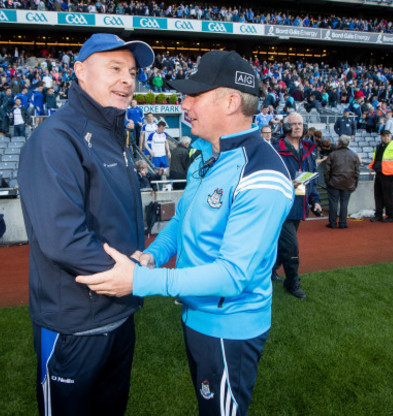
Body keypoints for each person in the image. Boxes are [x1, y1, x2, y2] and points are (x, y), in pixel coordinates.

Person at [75, 50, 294, 416]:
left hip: (230, 329)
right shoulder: (206, 153)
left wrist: (142, 279)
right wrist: (153, 254)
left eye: (195, 94)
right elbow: (182, 222)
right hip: (198, 317)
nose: (184, 103)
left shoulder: (262, 175)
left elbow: (232, 276)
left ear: (230, 101)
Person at [17, 33, 154, 416]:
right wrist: (132, 276)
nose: (128, 79)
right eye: (114, 68)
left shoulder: (116, 136)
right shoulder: (56, 138)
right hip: (73, 322)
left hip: (119, 313)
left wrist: (135, 264)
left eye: (132, 71)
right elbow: (63, 239)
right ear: (79, 71)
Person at [273, 111, 321, 300]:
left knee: (281, 244)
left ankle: (270, 271)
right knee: (291, 248)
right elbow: (270, 180)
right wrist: (287, 184)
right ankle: (292, 283)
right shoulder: (276, 151)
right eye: (293, 124)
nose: (298, 127)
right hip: (282, 208)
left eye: (300, 123)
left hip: (299, 207)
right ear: (285, 127)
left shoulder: (308, 150)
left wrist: (315, 201)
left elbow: (311, 181)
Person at [323, 135, 359, 229]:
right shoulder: (353, 155)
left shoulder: (333, 154)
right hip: (348, 183)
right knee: (344, 203)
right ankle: (343, 223)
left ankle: (333, 223)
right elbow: (357, 172)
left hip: (334, 182)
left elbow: (326, 170)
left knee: (333, 203)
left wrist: (328, 182)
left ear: (339, 143)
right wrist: (355, 184)